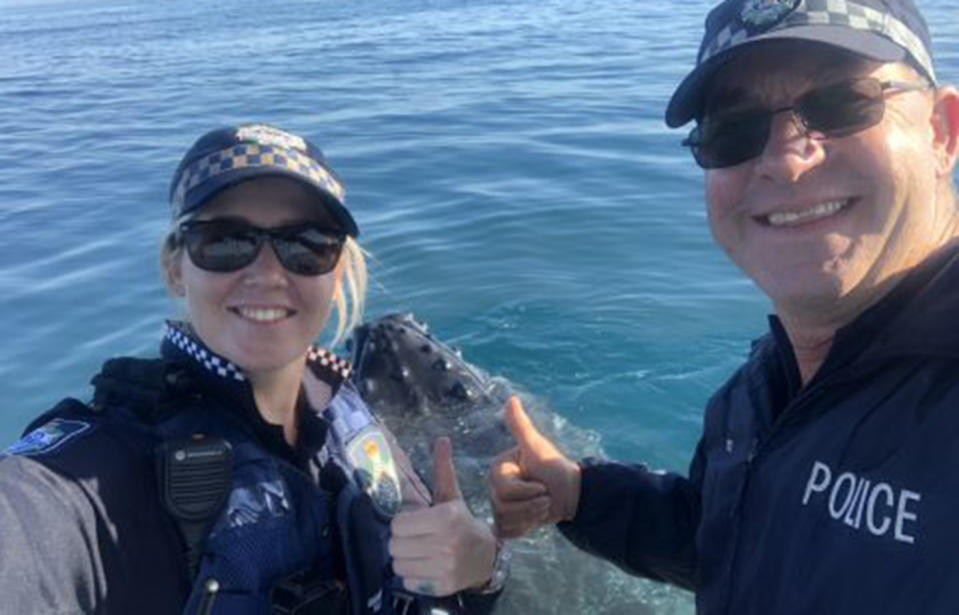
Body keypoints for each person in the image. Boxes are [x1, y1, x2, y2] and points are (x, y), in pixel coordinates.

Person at [489, 0, 959, 613]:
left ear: (942, 131)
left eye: (842, 105)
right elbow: (748, 542)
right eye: (734, 130)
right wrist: (581, 497)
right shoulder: (759, 390)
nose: (787, 160)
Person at [0, 123, 507, 614]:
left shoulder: (352, 426)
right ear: (175, 267)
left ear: (337, 273)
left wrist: (484, 571)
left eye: (307, 244)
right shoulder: (93, 475)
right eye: (225, 240)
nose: (267, 274)